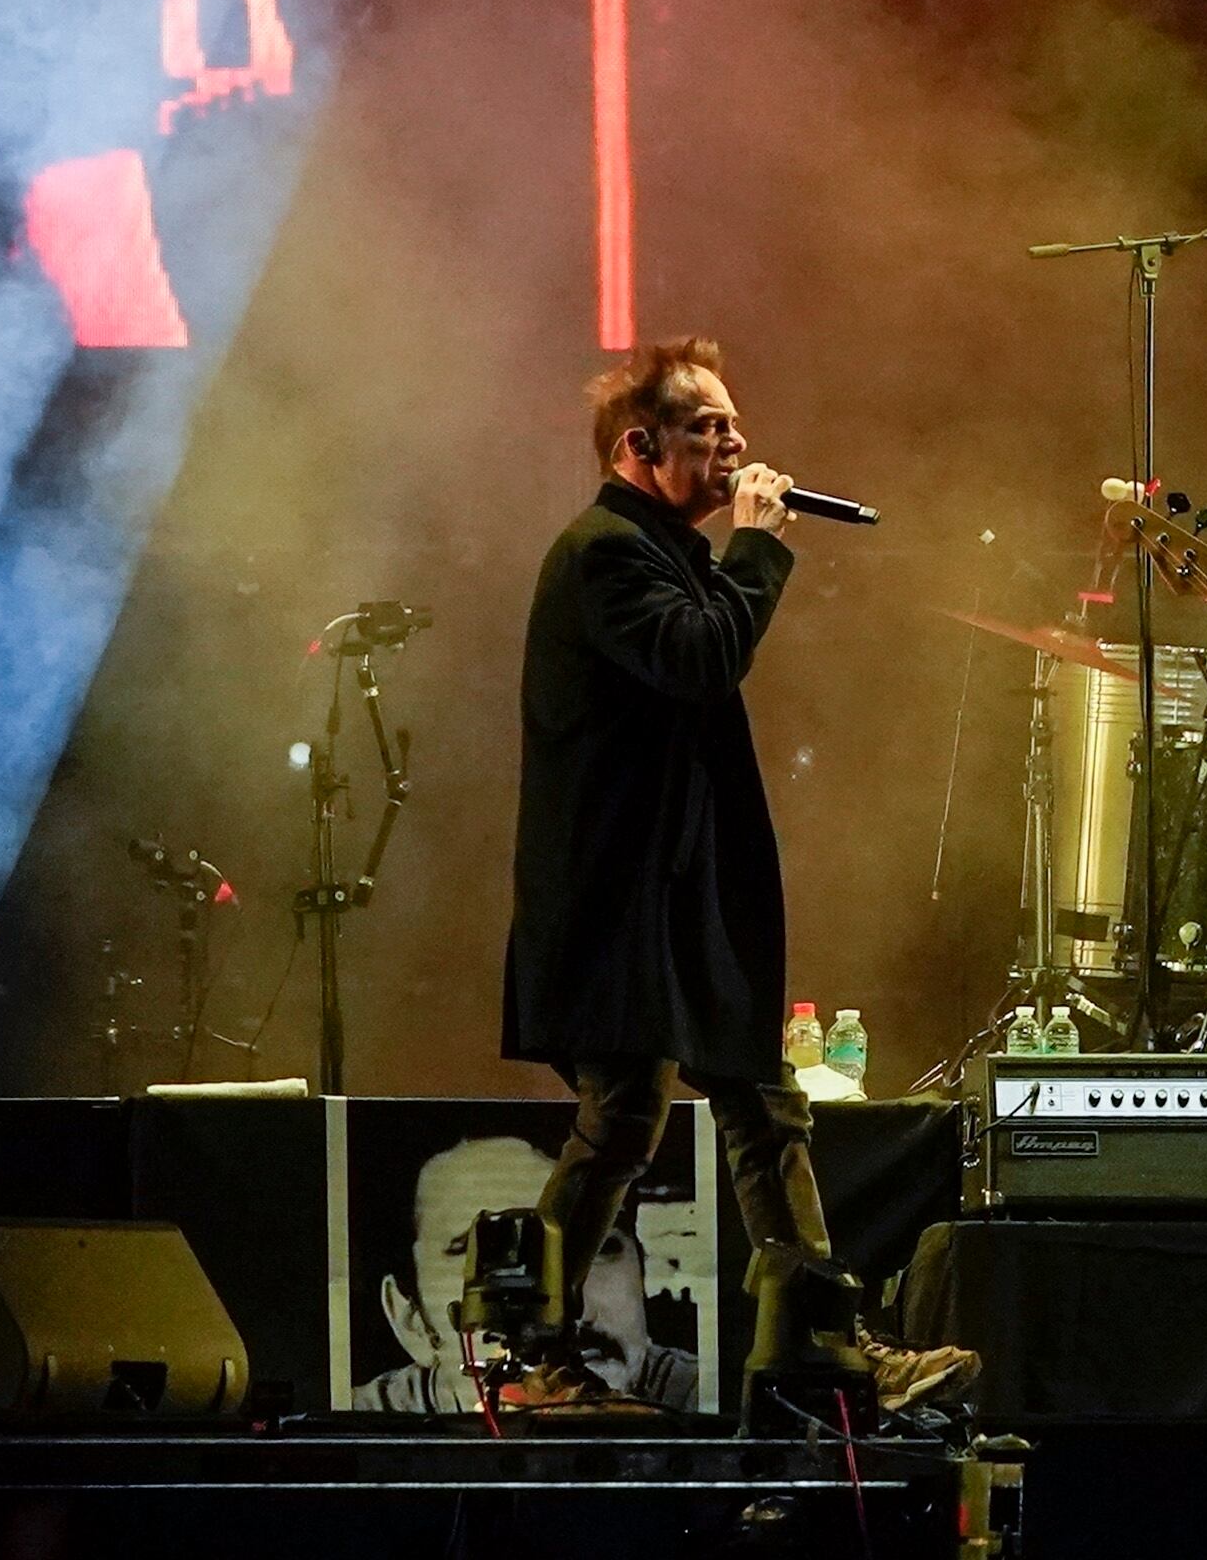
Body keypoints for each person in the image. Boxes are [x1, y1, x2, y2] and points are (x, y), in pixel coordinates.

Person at [502, 337, 972, 1409]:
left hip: (683, 894)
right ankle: (540, 1359)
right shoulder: (602, 552)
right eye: (709, 426)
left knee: (764, 1107)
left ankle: (831, 1347)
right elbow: (701, 655)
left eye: (733, 423)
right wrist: (758, 543)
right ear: (640, 444)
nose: (737, 444)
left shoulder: (660, 550)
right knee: (623, 1115)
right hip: (620, 898)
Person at [356, 1135, 700, 1413]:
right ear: (409, 1316)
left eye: (598, 1248)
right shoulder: (355, 1420)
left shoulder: (702, 1397)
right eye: (496, 1251)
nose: (563, 1302)